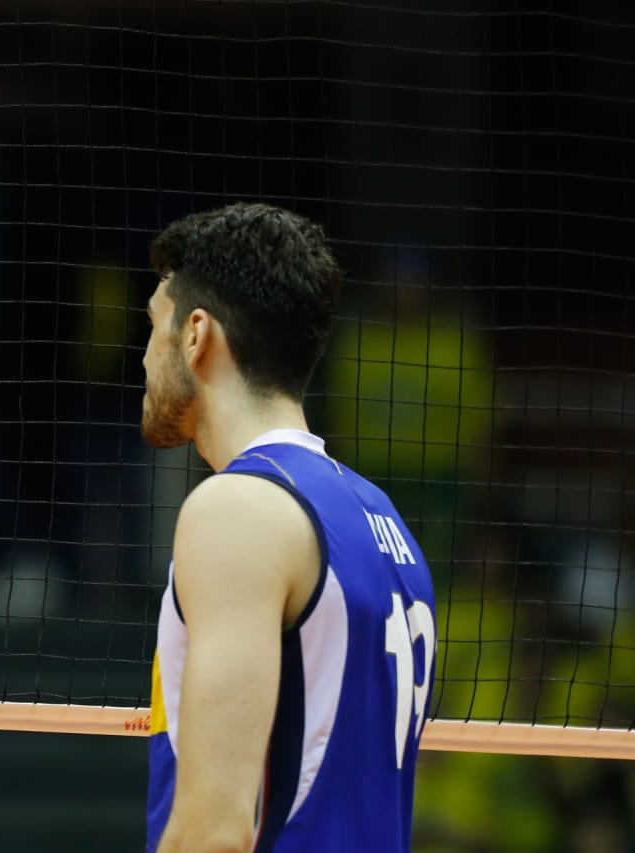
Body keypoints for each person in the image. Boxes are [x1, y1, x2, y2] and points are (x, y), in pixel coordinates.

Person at [140, 203, 436, 852]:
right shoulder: (383, 517)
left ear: (196, 335)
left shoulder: (239, 508)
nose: (143, 357)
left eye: (154, 326)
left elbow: (215, 830)